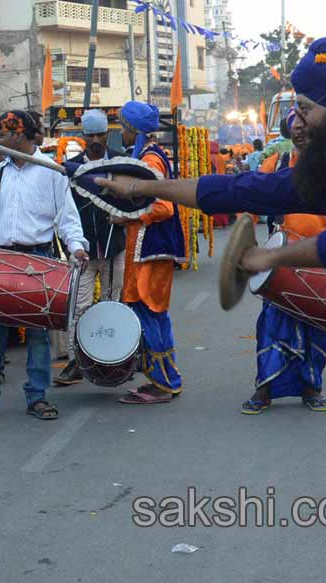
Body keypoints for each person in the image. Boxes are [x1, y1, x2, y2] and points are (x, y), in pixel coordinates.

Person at [97, 33, 326, 583]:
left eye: (306, 109)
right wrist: (144, 185)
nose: (296, 121)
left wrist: (270, 256)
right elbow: (244, 186)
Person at [0, 110, 89, 422]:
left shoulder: (52, 171)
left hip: (38, 260)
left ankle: (37, 397)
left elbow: (67, 220)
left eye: (2, 134)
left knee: (39, 335)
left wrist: (77, 248)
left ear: (18, 134)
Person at [244, 110, 326, 414]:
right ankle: (264, 388)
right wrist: (246, 234)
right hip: (279, 259)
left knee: (317, 327)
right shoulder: (276, 164)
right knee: (271, 326)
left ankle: (312, 387)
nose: (300, 132)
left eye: (305, 127)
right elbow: (250, 197)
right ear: (288, 132)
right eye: (295, 127)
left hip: (321, 259)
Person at [114, 101, 185, 405]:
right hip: (147, 249)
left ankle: (162, 383)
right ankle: (167, 379)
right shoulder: (147, 155)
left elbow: (163, 206)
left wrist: (127, 216)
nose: (121, 133)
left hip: (150, 250)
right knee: (154, 314)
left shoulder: (150, 160)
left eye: (123, 127)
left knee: (148, 313)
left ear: (133, 129)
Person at [54, 109, 125, 386]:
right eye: (90, 135)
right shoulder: (70, 169)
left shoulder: (120, 166)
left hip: (114, 247)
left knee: (112, 304)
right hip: (83, 252)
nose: (95, 139)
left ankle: (112, 360)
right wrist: (70, 246)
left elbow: (134, 202)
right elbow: (61, 211)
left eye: (100, 134)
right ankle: (76, 362)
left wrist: (122, 216)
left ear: (108, 134)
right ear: (82, 136)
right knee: (79, 307)